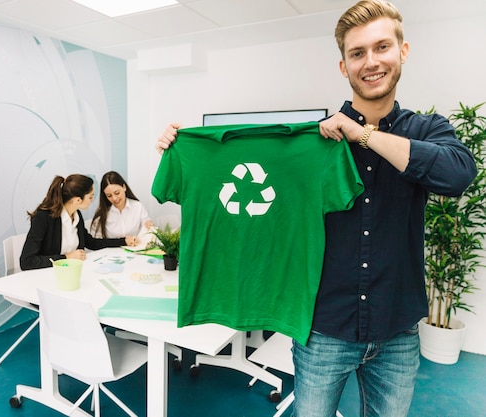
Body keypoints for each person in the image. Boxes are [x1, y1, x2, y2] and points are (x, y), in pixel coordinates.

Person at [154, 1, 477, 416]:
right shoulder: (316, 144)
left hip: (398, 329)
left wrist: (361, 135)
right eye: (357, 53)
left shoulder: (427, 129)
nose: (371, 61)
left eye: (382, 47)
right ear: (344, 66)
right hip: (324, 328)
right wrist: (183, 146)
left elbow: (457, 175)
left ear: (403, 51)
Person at [20, 174, 139, 270]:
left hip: (72, 273)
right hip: (48, 278)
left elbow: (91, 243)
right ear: (78, 200)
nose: (92, 201)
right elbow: (27, 261)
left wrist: (123, 241)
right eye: (90, 197)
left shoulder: (76, 215)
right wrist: (66, 258)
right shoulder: (44, 217)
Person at [90, 171, 154, 239]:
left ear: (124, 187)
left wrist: (149, 226)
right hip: (111, 250)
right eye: (109, 195)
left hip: (136, 248)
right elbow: (97, 242)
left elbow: (147, 229)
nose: (114, 198)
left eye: (117, 193)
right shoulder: (102, 214)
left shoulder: (137, 207)